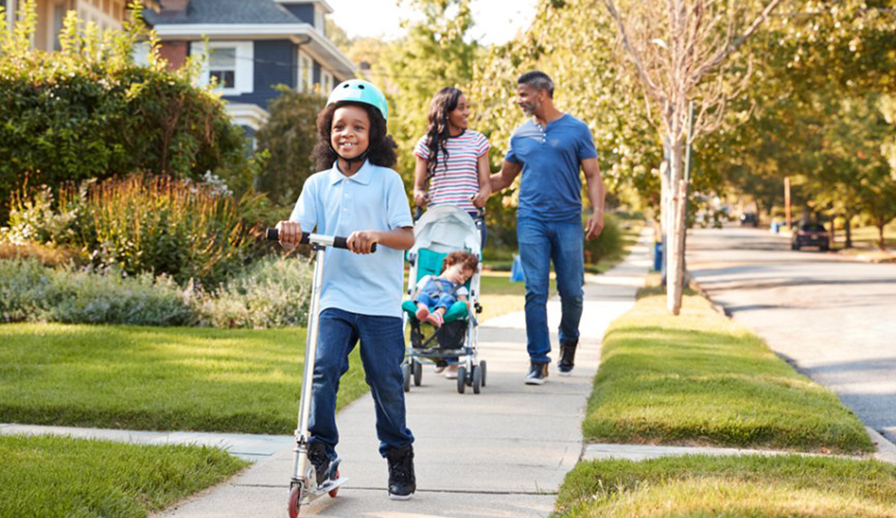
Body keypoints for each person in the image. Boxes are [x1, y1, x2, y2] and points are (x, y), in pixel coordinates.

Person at [275, 79, 416, 500]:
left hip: (379, 301)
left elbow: (407, 237)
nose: (347, 134)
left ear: (373, 134)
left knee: (385, 380)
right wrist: (289, 230)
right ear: (327, 131)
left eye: (357, 127)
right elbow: (299, 230)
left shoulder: (387, 181)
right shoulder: (317, 184)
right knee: (322, 369)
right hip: (334, 297)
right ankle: (322, 455)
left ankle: (399, 455)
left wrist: (375, 234)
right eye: (339, 126)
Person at [489, 71, 606, 385]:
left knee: (572, 292)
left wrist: (598, 212)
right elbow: (503, 178)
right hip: (531, 219)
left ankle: (569, 342)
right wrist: (466, 185)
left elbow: (593, 175)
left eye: (524, 94)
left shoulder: (576, 130)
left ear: (542, 94)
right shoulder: (520, 135)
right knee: (535, 290)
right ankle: (538, 360)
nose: (519, 100)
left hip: (568, 219)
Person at [413, 86, 491, 247]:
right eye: (461, 108)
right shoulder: (426, 144)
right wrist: (420, 195)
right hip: (436, 220)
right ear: (446, 113)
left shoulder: (478, 141)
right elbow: (418, 188)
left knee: (466, 271)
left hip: (470, 219)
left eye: (467, 107)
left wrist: (482, 196)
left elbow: (486, 185)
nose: (467, 112)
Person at [412, 250, 479, 328]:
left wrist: (468, 303)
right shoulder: (428, 278)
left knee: (448, 298)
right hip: (427, 301)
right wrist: (417, 300)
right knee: (422, 295)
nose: (461, 278)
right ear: (449, 264)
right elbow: (416, 296)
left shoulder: (459, 288)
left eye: (465, 278)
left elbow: (464, 302)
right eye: (460, 272)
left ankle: (437, 314)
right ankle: (423, 309)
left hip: (443, 306)